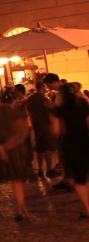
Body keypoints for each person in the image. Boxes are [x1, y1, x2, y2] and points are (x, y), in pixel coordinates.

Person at [0, 89, 34, 221]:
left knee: (16, 181)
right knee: (18, 180)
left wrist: (0, 148)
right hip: (15, 150)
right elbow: (21, 133)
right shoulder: (16, 114)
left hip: (2, 148)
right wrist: (6, 147)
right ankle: (21, 210)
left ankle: (21, 209)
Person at [52, 82, 89, 219]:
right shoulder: (83, 105)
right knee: (86, 174)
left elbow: (57, 130)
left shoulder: (60, 110)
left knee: (79, 179)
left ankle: (87, 209)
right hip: (85, 141)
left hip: (70, 144)